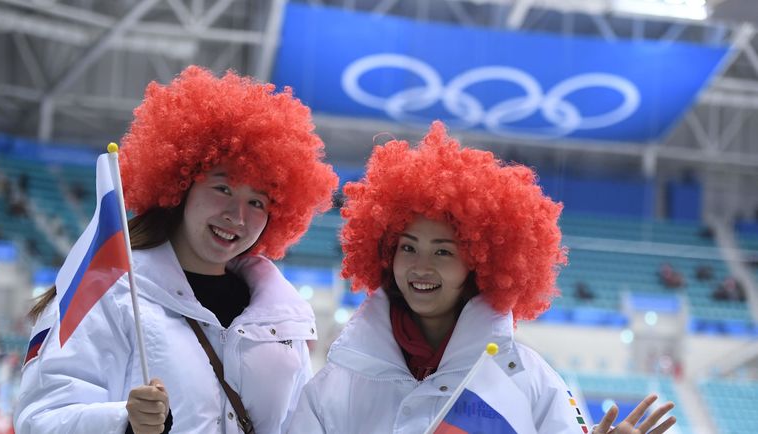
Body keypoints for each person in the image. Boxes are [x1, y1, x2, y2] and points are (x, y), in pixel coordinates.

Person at [289, 122, 675, 434]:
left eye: (443, 251)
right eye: (407, 247)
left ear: (480, 261)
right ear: (386, 254)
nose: (422, 265)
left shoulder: (528, 380)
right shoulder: (339, 381)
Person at [14, 65, 337, 434]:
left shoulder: (283, 318)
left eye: (258, 203)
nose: (238, 216)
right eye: (223, 189)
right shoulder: (110, 290)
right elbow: (39, 418)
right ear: (181, 184)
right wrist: (123, 421)